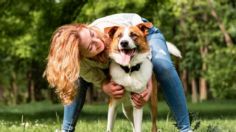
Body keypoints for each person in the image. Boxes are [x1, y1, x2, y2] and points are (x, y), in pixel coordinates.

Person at [44, 13, 192, 132]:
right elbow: (96, 77)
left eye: (92, 34)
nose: (98, 42)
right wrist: (104, 84)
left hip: (143, 35)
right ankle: (67, 129)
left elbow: (141, 52)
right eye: (90, 47)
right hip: (120, 56)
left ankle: (185, 128)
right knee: (76, 79)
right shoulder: (81, 63)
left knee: (162, 66)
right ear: (81, 57)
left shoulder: (110, 31)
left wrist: (148, 83)